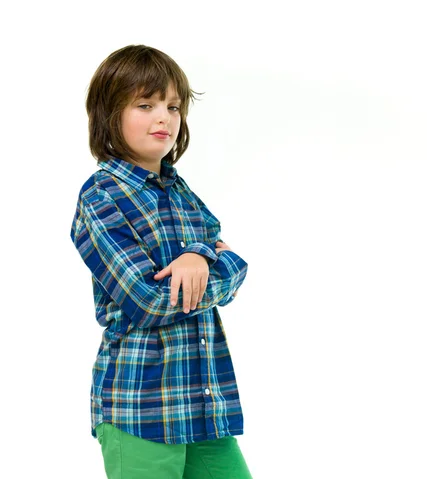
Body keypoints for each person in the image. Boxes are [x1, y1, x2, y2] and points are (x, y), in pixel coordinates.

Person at [69, 44, 252, 479]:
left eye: (172, 106)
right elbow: (149, 301)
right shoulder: (101, 197)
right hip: (142, 405)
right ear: (110, 113)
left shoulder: (181, 191)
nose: (164, 118)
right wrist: (213, 265)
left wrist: (197, 258)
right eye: (145, 104)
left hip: (202, 402)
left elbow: (236, 265)